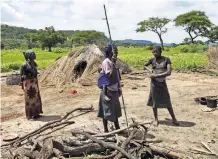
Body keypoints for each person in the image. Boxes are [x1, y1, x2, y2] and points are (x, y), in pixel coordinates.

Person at [144, 46, 179, 126]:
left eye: (156, 52)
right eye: (153, 52)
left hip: (162, 83)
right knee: (154, 102)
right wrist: (150, 71)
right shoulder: (152, 60)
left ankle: (174, 119)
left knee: (167, 101)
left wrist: (155, 75)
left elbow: (168, 72)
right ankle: (156, 119)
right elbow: (144, 65)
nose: (154, 53)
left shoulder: (166, 60)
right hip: (154, 84)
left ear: (160, 52)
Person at [97, 43, 122, 132]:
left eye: (116, 50)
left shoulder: (114, 62)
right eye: (114, 50)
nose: (116, 52)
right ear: (109, 51)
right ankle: (106, 129)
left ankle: (117, 127)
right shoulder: (107, 62)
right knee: (106, 110)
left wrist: (119, 88)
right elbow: (109, 76)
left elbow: (117, 78)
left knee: (114, 110)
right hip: (107, 91)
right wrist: (113, 63)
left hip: (114, 89)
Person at [20, 50, 43, 120]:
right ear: (29, 56)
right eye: (33, 54)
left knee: (36, 98)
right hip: (28, 84)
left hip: (34, 83)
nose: (34, 55)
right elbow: (21, 75)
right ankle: (29, 115)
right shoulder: (24, 65)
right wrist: (21, 83)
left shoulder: (34, 64)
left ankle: (36, 113)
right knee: (29, 99)